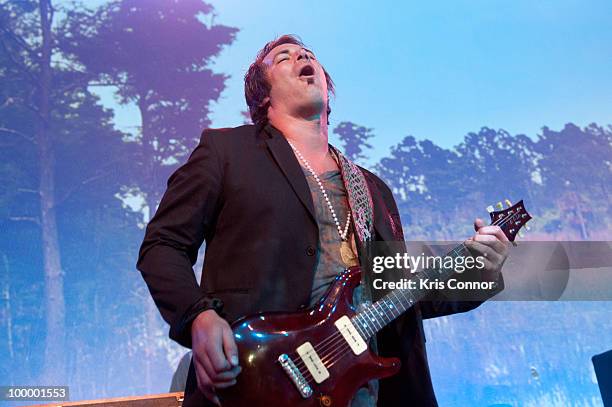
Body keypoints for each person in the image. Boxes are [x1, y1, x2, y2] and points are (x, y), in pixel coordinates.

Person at [137, 35, 509, 407]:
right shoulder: (227, 151)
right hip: (256, 382)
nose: (301, 57)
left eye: (308, 55)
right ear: (262, 94)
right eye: (284, 58)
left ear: (327, 90)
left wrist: (481, 270)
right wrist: (197, 315)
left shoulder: (374, 190)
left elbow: (402, 299)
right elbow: (162, 245)